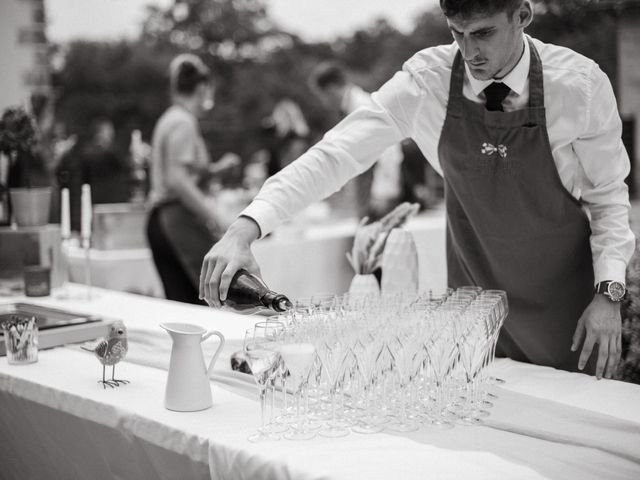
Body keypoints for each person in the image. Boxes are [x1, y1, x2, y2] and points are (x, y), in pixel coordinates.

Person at [200, 0, 635, 379]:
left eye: (483, 33)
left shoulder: (578, 85)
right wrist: (245, 228)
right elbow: (335, 155)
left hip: (570, 309)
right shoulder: (426, 82)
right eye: (457, 34)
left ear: (522, 14)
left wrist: (609, 294)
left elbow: (609, 197)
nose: (470, 52)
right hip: (474, 311)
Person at [147, 54, 238, 304]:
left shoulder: (170, 118)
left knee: (183, 301)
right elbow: (178, 180)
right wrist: (216, 217)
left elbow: (184, 172)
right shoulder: (183, 122)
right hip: (176, 218)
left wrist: (216, 168)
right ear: (201, 88)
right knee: (214, 295)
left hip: (162, 220)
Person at [309, 62, 404, 219]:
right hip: (370, 186)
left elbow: (389, 149)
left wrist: (382, 192)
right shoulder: (352, 107)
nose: (323, 103)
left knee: (375, 239)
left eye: (322, 96)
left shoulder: (363, 106)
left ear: (331, 89)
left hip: (377, 190)